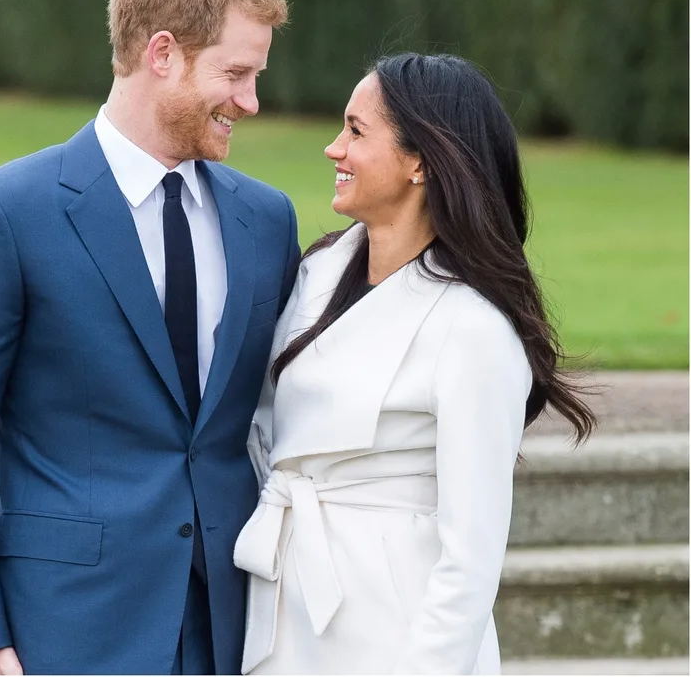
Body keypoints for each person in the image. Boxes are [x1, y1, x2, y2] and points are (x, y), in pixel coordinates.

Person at [0, 0, 298, 676]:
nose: (250, 101)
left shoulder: (267, 219)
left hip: (238, 625)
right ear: (162, 54)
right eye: (236, 74)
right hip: (71, 629)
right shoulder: (6, 213)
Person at [234, 53, 596, 674]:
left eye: (356, 131)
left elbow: (470, 558)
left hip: (396, 632)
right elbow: (265, 428)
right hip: (285, 609)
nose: (333, 148)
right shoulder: (318, 273)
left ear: (420, 161)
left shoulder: (474, 329)